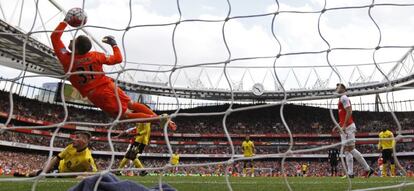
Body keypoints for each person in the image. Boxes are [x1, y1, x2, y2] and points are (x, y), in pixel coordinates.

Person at [50, 16, 176, 131]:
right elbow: (118, 59)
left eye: (73, 41)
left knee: (124, 116)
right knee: (132, 104)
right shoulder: (95, 56)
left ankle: (157, 120)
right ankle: (160, 118)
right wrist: (113, 44)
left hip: (98, 94)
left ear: (76, 49)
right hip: (109, 85)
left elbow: (54, 37)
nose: (71, 40)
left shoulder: (66, 58)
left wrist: (65, 21)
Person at [14, 131, 97, 177]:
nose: (73, 139)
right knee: (43, 170)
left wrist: (81, 176)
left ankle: (26, 175)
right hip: (59, 166)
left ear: (85, 141)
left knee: (40, 174)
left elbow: (94, 173)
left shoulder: (87, 158)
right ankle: (26, 174)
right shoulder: (70, 147)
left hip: (62, 174)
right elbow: (57, 158)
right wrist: (45, 171)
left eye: (77, 137)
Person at [335, 83, 374, 178]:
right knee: (346, 151)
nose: (336, 88)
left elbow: (349, 111)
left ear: (343, 88)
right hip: (345, 126)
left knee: (351, 149)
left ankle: (368, 169)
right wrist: (338, 125)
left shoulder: (344, 98)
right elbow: (344, 114)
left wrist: (343, 126)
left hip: (348, 127)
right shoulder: (340, 99)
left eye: (338, 86)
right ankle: (350, 173)